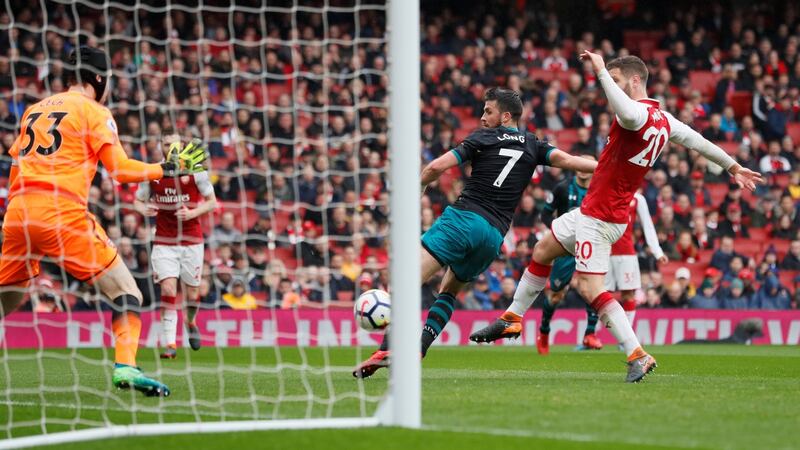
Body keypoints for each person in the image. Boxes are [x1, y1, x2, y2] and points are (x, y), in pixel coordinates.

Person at [470, 52, 762, 382]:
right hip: (597, 211)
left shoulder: (636, 114)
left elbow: (626, 111)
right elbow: (700, 142)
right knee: (543, 249)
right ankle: (512, 318)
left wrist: (600, 71)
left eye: (618, 79)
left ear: (635, 81)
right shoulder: (664, 120)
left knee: (589, 288)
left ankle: (637, 353)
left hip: (601, 216)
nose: (614, 85)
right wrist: (733, 166)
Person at [0, 46, 206, 396]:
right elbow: (121, 171)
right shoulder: (93, 110)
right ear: (98, 78)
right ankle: (126, 367)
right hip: (61, 212)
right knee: (126, 291)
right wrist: (167, 168)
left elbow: (16, 169)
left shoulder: (35, 110)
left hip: (18, 213)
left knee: (8, 297)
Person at [352, 87, 598, 378]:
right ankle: (419, 349)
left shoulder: (483, 138)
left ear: (505, 116)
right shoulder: (534, 144)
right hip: (492, 237)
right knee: (449, 290)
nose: (482, 117)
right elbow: (570, 161)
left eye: (488, 111)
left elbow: (435, 167)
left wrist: (417, 191)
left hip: (463, 219)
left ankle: (387, 348)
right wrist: (609, 169)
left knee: (405, 281)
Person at [134, 133, 217, 360]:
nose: (170, 147)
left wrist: (192, 212)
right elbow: (137, 200)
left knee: (192, 293)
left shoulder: (196, 172)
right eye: (166, 143)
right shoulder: (153, 172)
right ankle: (170, 343)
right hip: (164, 241)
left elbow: (212, 202)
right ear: (160, 146)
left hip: (192, 240)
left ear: (181, 146)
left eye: (173, 144)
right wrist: (143, 209)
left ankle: (190, 321)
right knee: (168, 289)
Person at [528, 153, 601, 355]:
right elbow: (545, 214)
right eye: (581, 164)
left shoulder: (599, 188)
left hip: (590, 246)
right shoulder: (562, 187)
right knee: (556, 296)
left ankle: (590, 334)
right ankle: (544, 330)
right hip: (566, 248)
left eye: (588, 165)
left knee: (592, 289)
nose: (583, 169)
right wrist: (559, 233)